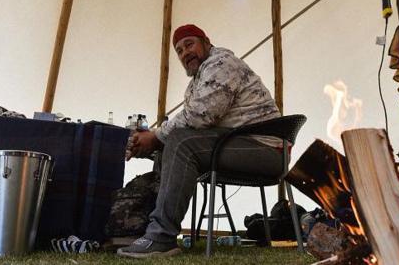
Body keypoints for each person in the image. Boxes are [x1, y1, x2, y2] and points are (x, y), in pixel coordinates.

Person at [117, 24, 282, 258]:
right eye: (179, 51)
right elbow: (191, 123)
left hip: (267, 150)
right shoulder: (198, 79)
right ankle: (146, 230)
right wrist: (152, 145)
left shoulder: (221, 64)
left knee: (182, 143)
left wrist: (155, 136)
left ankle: (161, 236)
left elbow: (200, 115)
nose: (185, 53)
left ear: (206, 42)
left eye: (189, 44)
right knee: (174, 142)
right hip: (239, 144)